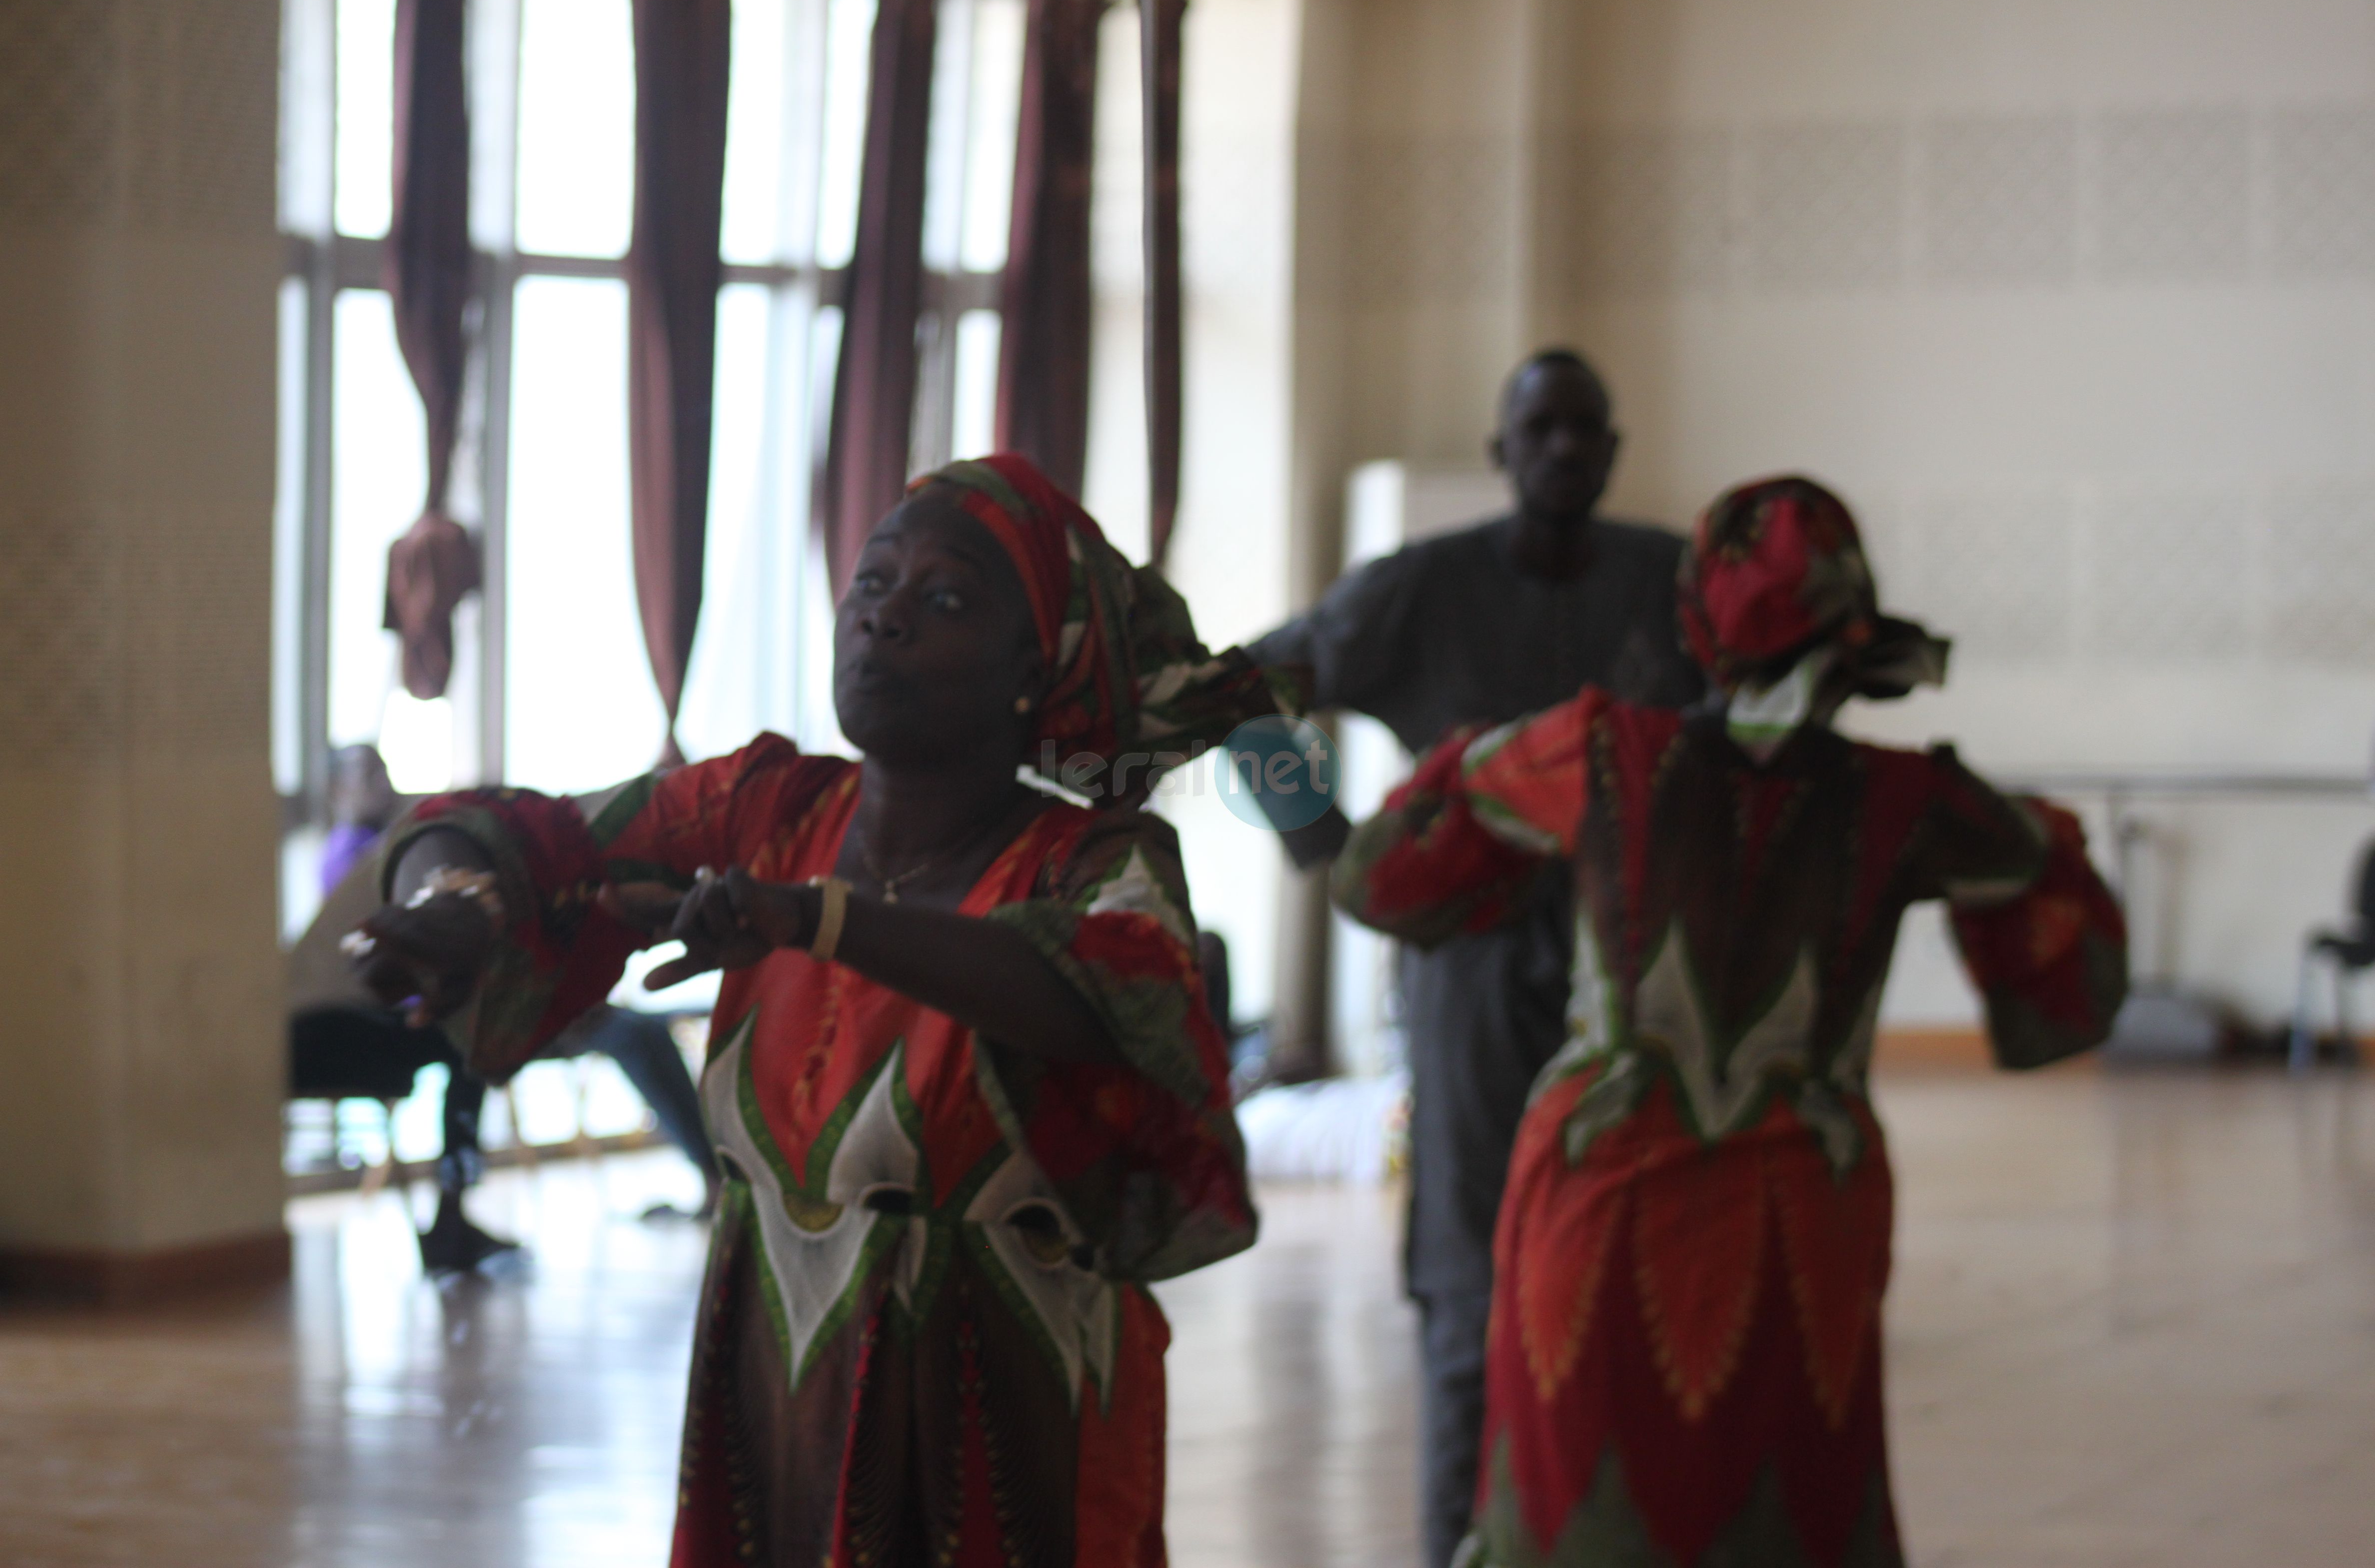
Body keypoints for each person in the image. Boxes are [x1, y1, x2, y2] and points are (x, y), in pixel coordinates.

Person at [348, 455, 1277, 1565]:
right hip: (780, 1400)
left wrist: (817, 919)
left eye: (945, 599)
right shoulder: (768, 810)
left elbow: (1105, 996)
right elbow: (519, 835)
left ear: (1032, 667)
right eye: (872, 582)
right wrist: (456, 906)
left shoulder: (1095, 861)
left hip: (1008, 1427)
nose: (884, 616)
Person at [1332, 477, 2130, 1568]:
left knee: (1578, 1521)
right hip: (1803, 1217)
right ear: (1854, 624)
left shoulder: (1593, 750)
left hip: (1598, 1204)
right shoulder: (1909, 800)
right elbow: (2050, 885)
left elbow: (1383, 873)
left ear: (1695, 621)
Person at [1245, 348, 1702, 1567]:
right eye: (1539, 428)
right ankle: (1457, 1540)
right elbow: (1240, 693)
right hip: (1476, 963)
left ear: (1613, 450)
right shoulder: (1420, 587)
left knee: (1639, 1273)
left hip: (1644, 968)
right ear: (1502, 451)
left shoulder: (1670, 582)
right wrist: (1328, 849)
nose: (1563, 449)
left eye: (1583, 429)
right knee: (1470, 1281)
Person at [288, 749, 722, 1272]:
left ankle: (455, 1212)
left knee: (626, 1032)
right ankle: (453, 1213)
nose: (379, 784)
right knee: (472, 1048)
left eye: (382, 771)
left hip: (417, 1002)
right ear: (336, 791)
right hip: (343, 1023)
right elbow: (407, 948)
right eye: (365, 776)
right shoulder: (368, 852)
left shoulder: (414, 842)